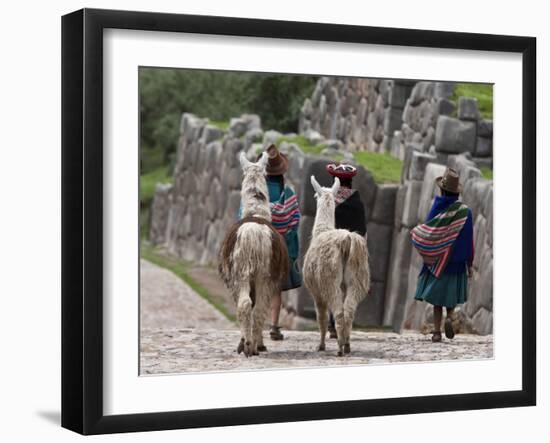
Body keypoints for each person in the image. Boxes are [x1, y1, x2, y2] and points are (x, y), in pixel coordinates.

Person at [239, 144, 302, 342]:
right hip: (278, 244)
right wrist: (289, 246)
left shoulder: (255, 191)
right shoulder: (288, 193)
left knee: (249, 284)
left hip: (251, 237)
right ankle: (274, 326)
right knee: (274, 287)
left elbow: (242, 215)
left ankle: (248, 329)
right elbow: (294, 221)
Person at [411, 168, 474, 343]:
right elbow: (470, 241)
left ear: (442, 190)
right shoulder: (465, 212)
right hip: (456, 263)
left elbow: (429, 232)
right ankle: (451, 314)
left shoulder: (437, 207)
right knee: (450, 295)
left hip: (438, 262)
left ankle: (437, 332)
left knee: (437, 300)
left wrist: (423, 243)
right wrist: (469, 263)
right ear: (456, 193)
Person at [325, 163, 367, 339]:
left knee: (332, 284)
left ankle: (332, 323)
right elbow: (362, 229)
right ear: (350, 182)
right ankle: (344, 323)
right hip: (351, 250)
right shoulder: (357, 203)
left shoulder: (330, 201)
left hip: (333, 248)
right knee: (349, 287)